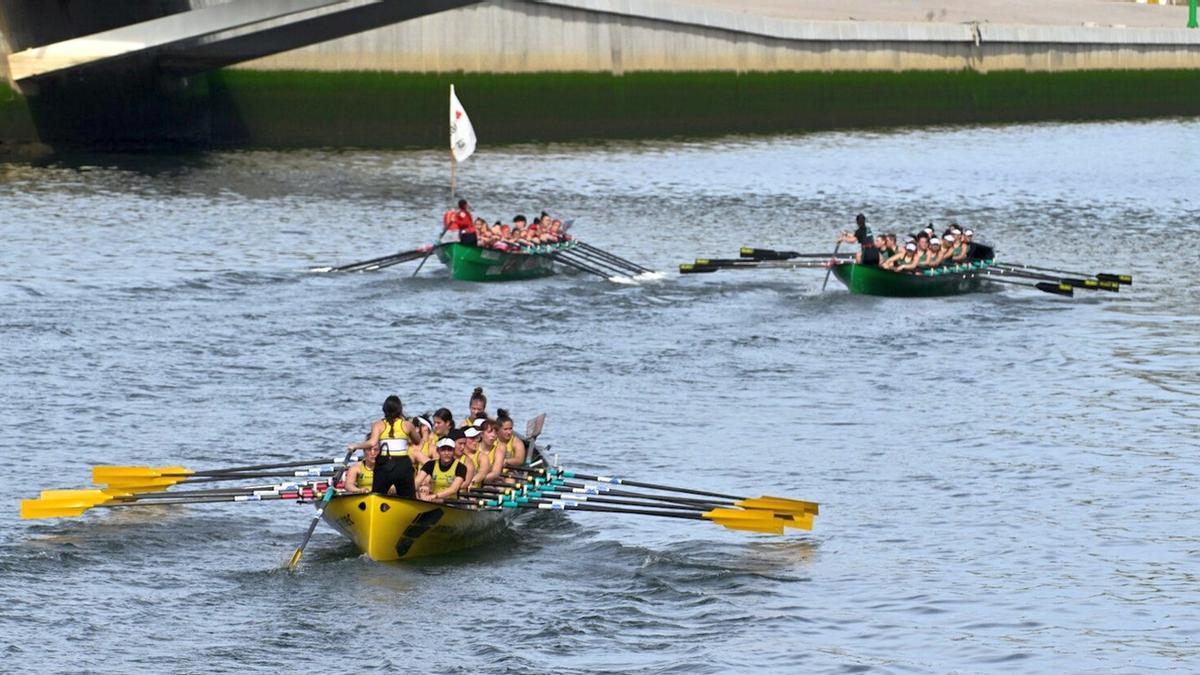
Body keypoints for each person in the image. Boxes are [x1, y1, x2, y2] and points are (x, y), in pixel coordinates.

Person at [346, 395, 417, 498]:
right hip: (403, 465)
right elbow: (418, 441)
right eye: (369, 451)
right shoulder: (407, 425)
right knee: (409, 497)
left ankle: (376, 502)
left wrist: (356, 446)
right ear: (400, 410)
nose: (372, 452)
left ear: (384, 410)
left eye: (375, 450)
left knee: (377, 495)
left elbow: (372, 442)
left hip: (385, 464)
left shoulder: (378, 424)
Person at [416, 438, 468, 502]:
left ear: (453, 451)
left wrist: (435, 496)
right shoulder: (430, 464)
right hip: (433, 501)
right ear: (438, 451)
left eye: (449, 450)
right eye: (443, 450)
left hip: (451, 502)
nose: (446, 453)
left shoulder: (461, 467)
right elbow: (417, 482)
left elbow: (453, 489)